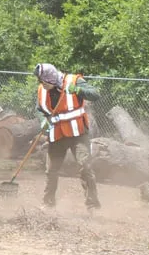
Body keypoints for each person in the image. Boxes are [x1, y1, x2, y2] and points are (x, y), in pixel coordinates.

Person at [34, 62, 101, 210]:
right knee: (51, 171)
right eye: (39, 81)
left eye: (42, 80)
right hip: (57, 135)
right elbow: (39, 109)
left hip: (78, 133)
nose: (40, 84)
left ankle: (92, 204)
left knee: (85, 167)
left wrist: (78, 90)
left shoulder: (74, 81)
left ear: (50, 78)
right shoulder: (42, 89)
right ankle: (48, 203)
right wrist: (42, 121)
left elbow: (96, 94)